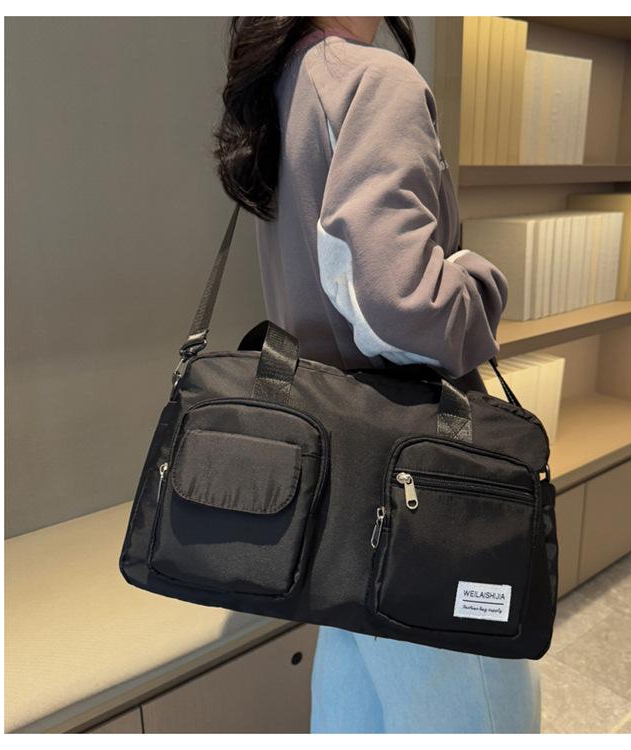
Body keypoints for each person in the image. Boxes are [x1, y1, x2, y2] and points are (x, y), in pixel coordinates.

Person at [213, 15, 541, 734]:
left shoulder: (284, 85)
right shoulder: (373, 79)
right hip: (417, 488)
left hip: (336, 485)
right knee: (479, 710)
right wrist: (479, 279)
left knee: (355, 703)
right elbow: (401, 306)